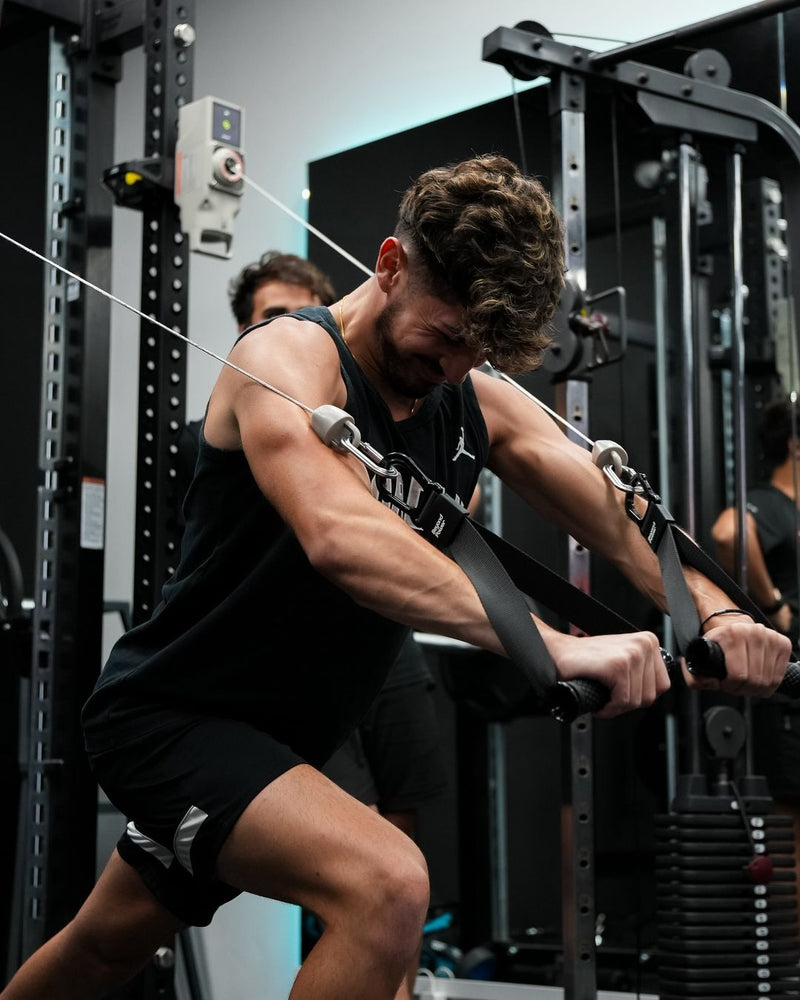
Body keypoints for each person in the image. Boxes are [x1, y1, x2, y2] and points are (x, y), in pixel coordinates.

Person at [2, 154, 789, 1000]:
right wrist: (550, 647)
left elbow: (616, 514)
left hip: (280, 741)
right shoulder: (288, 360)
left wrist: (713, 614)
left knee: (102, 948)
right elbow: (343, 535)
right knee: (387, 886)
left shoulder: (470, 394)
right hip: (174, 720)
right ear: (390, 264)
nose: (455, 368)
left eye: (478, 351)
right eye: (446, 337)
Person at [178, 251, 449, 997]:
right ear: (247, 329)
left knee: (400, 844)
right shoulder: (233, 416)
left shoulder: (397, 414)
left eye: (301, 310)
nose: (288, 325)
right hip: (294, 665)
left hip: (387, 650)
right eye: (270, 316)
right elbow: (321, 535)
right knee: (371, 864)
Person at [711, 395, 800, 899]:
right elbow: (728, 533)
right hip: (788, 698)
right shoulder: (770, 503)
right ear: (795, 446)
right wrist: (773, 604)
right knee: (792, 828)